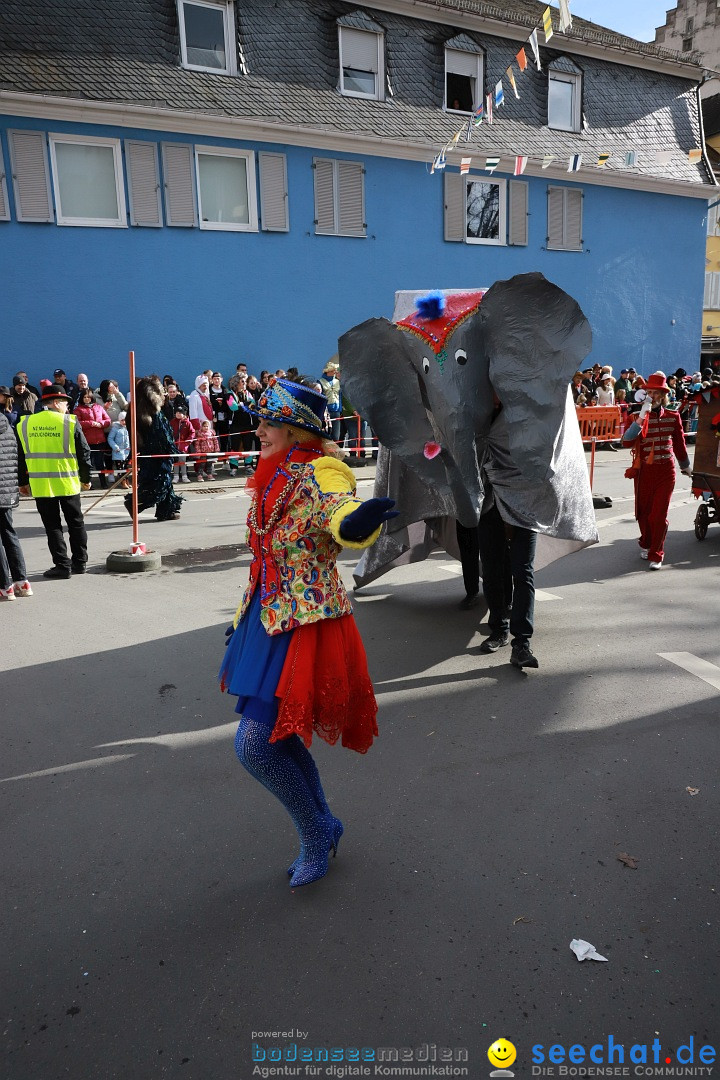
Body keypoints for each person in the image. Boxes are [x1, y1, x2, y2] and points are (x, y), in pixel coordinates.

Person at [219, 376, 396, 888]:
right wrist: (240, 620)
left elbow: (338, 513)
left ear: (297, 431)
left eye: (268, 423)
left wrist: (359, 522)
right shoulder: (270, 474)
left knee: (254, 745)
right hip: (264, 618)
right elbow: (263, 560)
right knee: (272, 740)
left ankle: (317, 831)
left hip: (306, 622)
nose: (258, 431)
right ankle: (322, 825)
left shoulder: (321, 471)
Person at [477, 400, 539, 669]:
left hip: (524, 503)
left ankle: (521, 642)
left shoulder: (527, 412)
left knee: (522, 571)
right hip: (490, 504)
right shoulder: (476, 414)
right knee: (491, 569)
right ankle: (499, 629)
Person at [16, 383, 92, 578]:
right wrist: (86, 478)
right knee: (76, 523)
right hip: (67, 482)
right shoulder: (70, 422)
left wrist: (23, 483)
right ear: (57, 403)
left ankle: (62, 566)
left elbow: (20, 456)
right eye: (66, 403)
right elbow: (84, 453)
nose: (68, 408)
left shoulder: (25, 423)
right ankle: (80, 563)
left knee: (52, 527)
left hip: (41, 485)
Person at [622, 371, 692, 570]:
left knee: (658, 515)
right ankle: (645, 542)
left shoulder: (673, 416)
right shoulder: (637, 416)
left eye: (655, 393)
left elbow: (679, 444)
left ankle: (656, 553)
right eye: (648, 392)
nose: (651, 396)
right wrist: (640, 419)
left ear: (663, 395)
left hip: (666, 471)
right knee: (644, 513)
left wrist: (686, 466)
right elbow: (626, 442)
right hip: (644, 471)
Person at [124, 376, 183, 521]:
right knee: (158, 483)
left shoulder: (144, 410)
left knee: (166, 481)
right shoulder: (147, 413)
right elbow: (159, 436)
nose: (164, 394)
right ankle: (134, 503)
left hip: (158, 454)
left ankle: (166, 510)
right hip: (154, 454)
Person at [0, 404, 32, 600]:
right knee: (9, 533)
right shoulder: (7, 424)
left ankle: (5, 586)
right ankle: (22, 582)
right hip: (7, 489)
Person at [74, 387, 112, 488]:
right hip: (86, 441)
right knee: (88, 464)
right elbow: (77, 423)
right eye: (85, 397)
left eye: (89, 397)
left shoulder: (99, 407)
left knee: (100, 463)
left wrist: (101, 424)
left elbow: (108, 420)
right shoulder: (78, 409)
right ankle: (87, 484)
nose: (87, 399)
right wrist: (91, 423)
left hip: (99, 440)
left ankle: (103, 483)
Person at [169, 404, 194, 484]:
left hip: (183, 446)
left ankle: (184, 476)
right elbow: (169, 431)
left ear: (184, 414)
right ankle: (175, 476)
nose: (178, 414)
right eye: (177, 412)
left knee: (183, 461)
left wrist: (188, 441)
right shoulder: (172, 422)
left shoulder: (187, 423)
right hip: (175, 445)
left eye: (180, 412)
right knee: (176, 461)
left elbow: (192, 433)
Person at [107, 410, 131, 487]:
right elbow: (110, 439)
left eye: (125, 420)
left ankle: (127, 480)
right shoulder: (115, 428)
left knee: (126, 468)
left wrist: (130, 447)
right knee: (120, 468)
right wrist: (115, 447)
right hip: (118, 451)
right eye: (122, 420)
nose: (124, 422)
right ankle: (123, 482)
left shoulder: (127, 428)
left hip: (126, 451)